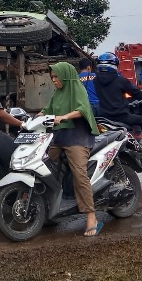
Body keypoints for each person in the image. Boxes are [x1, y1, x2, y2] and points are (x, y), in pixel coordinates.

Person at [40, 62, 101, 237]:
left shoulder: (78, 88)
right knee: (44, 167)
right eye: (52, 77)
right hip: (59, 137)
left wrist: (64, 116)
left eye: (56, 76)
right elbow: (47, 110)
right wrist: (33, 119)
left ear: (66, 75)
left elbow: (82, 109)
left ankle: (91, 215)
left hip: (77, 136)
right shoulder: (58, 93)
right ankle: (49, 208)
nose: (54, 80)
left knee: (79, 175)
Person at [93, 52, 142, 156]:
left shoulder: (95, 81)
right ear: (115, 65)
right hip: (121, 116)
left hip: (103, 117)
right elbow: (136, 93)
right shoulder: (120, 80)